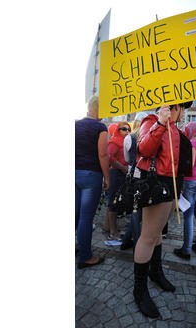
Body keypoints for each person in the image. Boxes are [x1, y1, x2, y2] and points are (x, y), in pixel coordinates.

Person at [133, 101, 192, 318]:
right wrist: (160, 122)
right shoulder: (152, 120)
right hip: (155, 184)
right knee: (147, 237)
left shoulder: (175, 128)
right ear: (172, 107)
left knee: (157, 234)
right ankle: (139, 291)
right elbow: (144, 149)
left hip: (170, 186)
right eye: (181, 108)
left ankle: (155, 272)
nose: (183, 112)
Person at [75, 96, 109, 269]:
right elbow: (103, 154)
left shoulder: (74, 124)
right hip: (91, 176)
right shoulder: (100, 127)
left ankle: (77, 247)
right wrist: (107, 178)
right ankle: (85, 256)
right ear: (100, 109)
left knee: (74, 215)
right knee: (86, 218)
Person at [173, 122, 196, 260]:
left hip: (191, 182)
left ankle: (186, 249)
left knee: (188, 215)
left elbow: (190, 165)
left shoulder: (192, 143)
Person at [120, 116, 144, 250]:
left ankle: (131, 242)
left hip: (132, 177)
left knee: (135, 211)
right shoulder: (148, 137)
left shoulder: (129, 138)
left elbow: (126, 158)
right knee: (139, 212)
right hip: (146, 178)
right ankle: (134, 243)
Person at [104, 121, 131, 243]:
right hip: (115, 174)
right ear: (118, 130)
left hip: (121, 175)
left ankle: (110, 228)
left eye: (128, 129)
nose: (127, 131)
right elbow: (108, 156)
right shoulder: (114, 141)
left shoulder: (126, 141)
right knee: (113, 203)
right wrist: (122, 167)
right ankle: (113, 232)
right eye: (124, 129)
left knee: (116, 203)